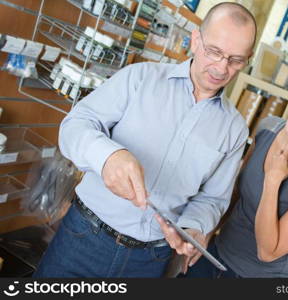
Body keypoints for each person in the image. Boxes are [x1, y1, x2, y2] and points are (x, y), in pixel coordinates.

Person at [33, 2, 257, 278]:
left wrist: (193, 227)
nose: (222, 68)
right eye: (214, 52)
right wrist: (107, 157)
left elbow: (212, 197)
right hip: (84, 239)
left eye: (235, 60)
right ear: (196, 40)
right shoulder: (140, 78)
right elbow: (74, 126)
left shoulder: (234, 129)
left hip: (150, 261)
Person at [162, 69, 288, 278]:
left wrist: (273, 180)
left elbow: (268, 252)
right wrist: (207, 233)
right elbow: (235, 193)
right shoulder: (269, 128)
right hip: (218, 253)